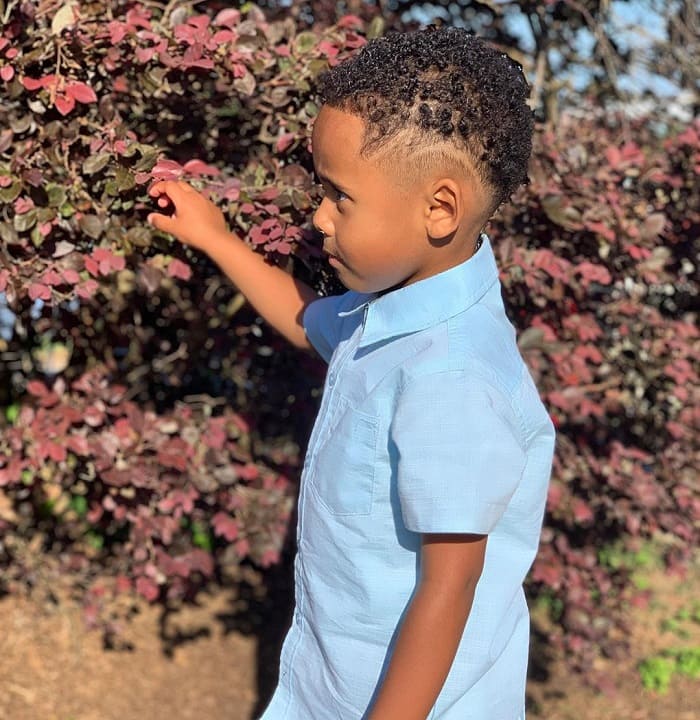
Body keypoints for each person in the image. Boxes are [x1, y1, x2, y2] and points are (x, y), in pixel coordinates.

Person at [148, 26, 555, 720]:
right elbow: (310, 321)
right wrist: (214, 237)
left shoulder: (452, 375)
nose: (318, 217)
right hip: (337, 683)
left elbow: (447, 589)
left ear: (440, 208)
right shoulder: (392, 311)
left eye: (340, 197)